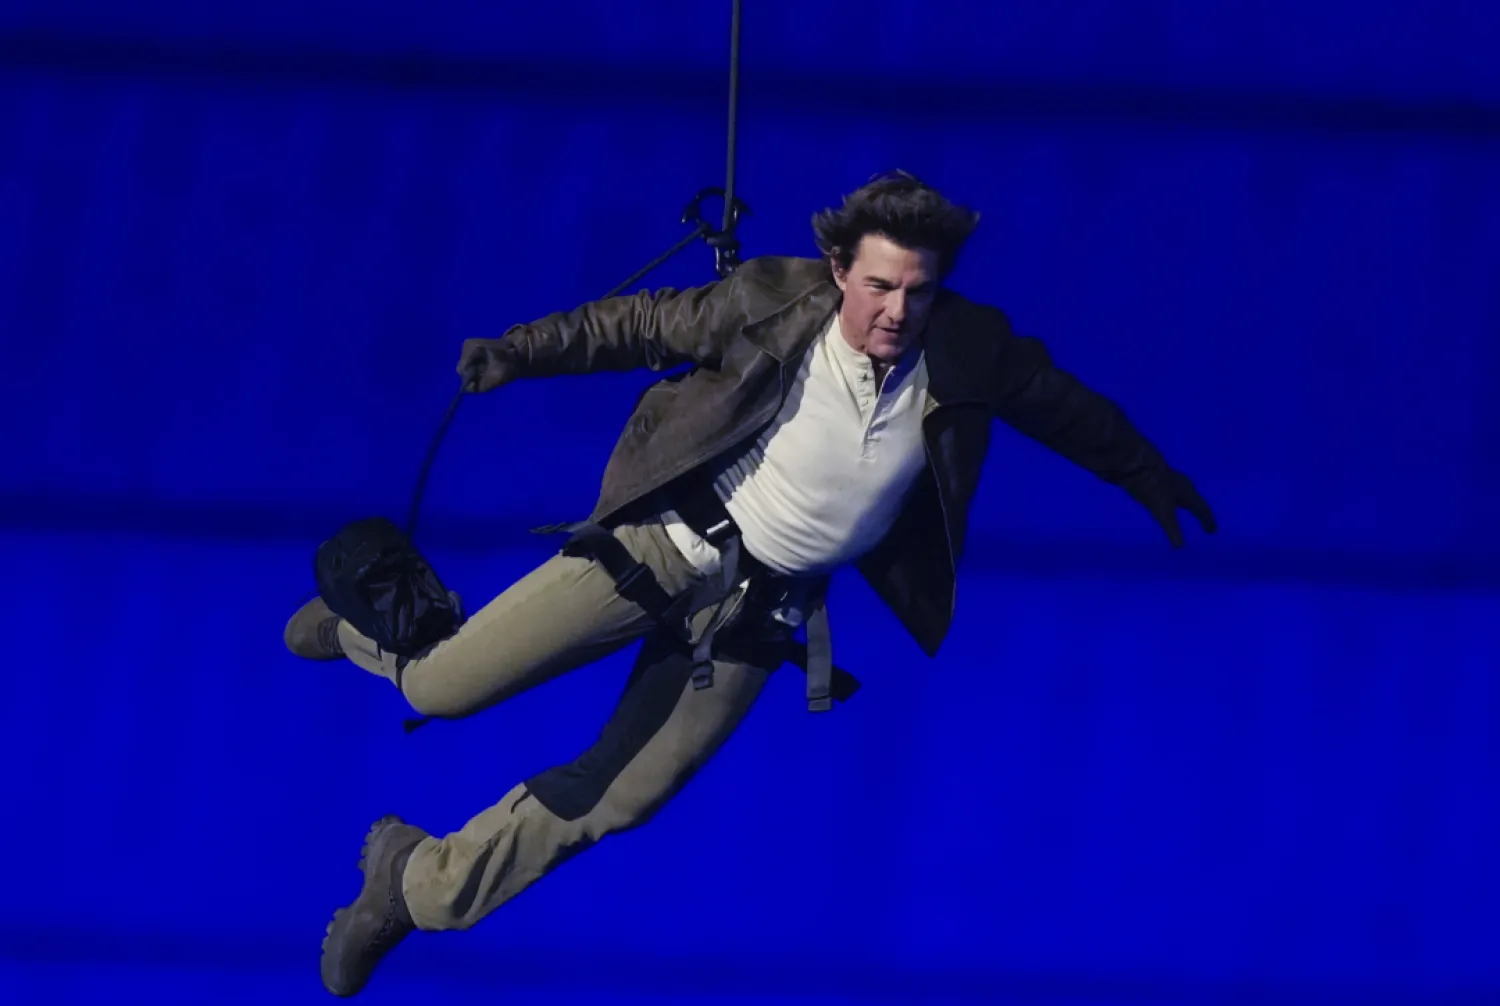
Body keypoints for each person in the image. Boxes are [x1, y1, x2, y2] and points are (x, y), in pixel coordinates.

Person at [284, 170, 1216, 997]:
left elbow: (1064, 406)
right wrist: (521, 351)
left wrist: (1145, 473)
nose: (896, 310)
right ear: (841, 268)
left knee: (626, 795)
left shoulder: (967, 349)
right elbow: (640, 324)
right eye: (880, 284)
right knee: (444, 685)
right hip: (662, 550)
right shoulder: (773, 299)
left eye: (917, 291)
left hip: (761, 611)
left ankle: (413, 885)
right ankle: (356, 633)